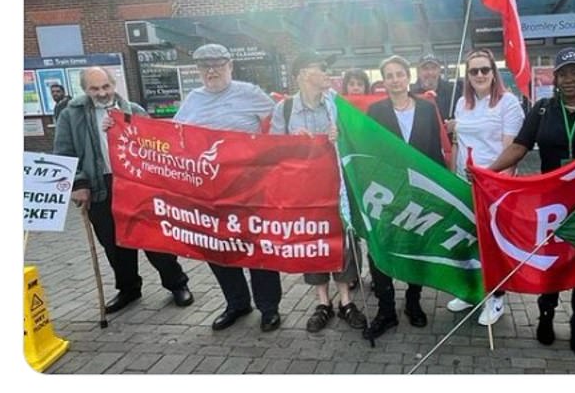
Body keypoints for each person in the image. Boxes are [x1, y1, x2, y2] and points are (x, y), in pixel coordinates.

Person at [484, 48, 575, 354]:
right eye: (563, 73)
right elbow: (520, 146)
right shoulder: (543, 109)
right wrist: (488, 172)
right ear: (555, 77)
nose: (569, 79)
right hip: (551, 204)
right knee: (551, 261)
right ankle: (546, 314)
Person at [54, 67, 194, 314]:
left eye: (105, 87)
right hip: (99, 186)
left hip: (135, 184)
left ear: (113, 84)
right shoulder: (71, 115)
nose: (102, 93)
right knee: (114, 244)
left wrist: (124, 122)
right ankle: (129, 289)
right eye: (94, 89)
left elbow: (154, 148)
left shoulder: (134, 110)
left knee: (154, 239)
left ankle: (177, 284)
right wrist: (78, 184)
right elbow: (64, 153)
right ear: (84, 90)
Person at [174, 43, 283, 333]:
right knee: (218, 249)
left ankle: (269, 307)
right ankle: (237, 303)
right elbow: (172, 137)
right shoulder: (192, 100)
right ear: (198, 70)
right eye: (205, 66)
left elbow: (280, 123)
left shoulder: (250, 93)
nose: (212, 71)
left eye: (218, 65)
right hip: (209, 192)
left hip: (250, 189)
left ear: (231, 66)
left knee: (258, 248)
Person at [270, 51, 368, 333]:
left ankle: (346, 301)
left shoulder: (335, 104)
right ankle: (322, 303)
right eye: (320, 68)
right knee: (313, 243)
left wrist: (342, 136)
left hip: (337, 190)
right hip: (305, 193)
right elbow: (273, 150)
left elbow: (356, 141)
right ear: (302, 74)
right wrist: (292, 143)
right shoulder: (285, 110)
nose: (327, 72)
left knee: (343, 244)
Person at [362, 55, 446, 339]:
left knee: (415, 245)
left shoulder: (426, 108)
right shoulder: (375, 111)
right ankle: (386, 309)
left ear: (408, 77)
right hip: (386, 192)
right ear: (383, 81)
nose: (395, 79)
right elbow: (366, 150)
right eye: (389, 75)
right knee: (380, 247)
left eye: (400, 74)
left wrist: (441, 190)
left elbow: (435, 151)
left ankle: (413, 300)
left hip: (419, 192)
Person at [445, 48, 524, 325]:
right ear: (467, 76)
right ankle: (470, 291)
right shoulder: (461, 104)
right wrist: (451, 175)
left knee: (491, 243)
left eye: (484, 70)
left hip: (493, 185)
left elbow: (511, 149)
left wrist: (498, 183)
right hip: (463, 183)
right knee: (466, 239)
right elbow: (458, 142)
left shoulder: (508, 103)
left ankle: (496, 297)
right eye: (474, 71)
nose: (479, 75)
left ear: (494, 73)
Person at [411, 54, 461, 121]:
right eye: (425, 68)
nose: (430, 72)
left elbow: (463, 117)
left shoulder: (453, 91)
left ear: (439, 70)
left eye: (434, 68)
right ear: (418, 72)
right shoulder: (411, 96)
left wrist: (455, 124)